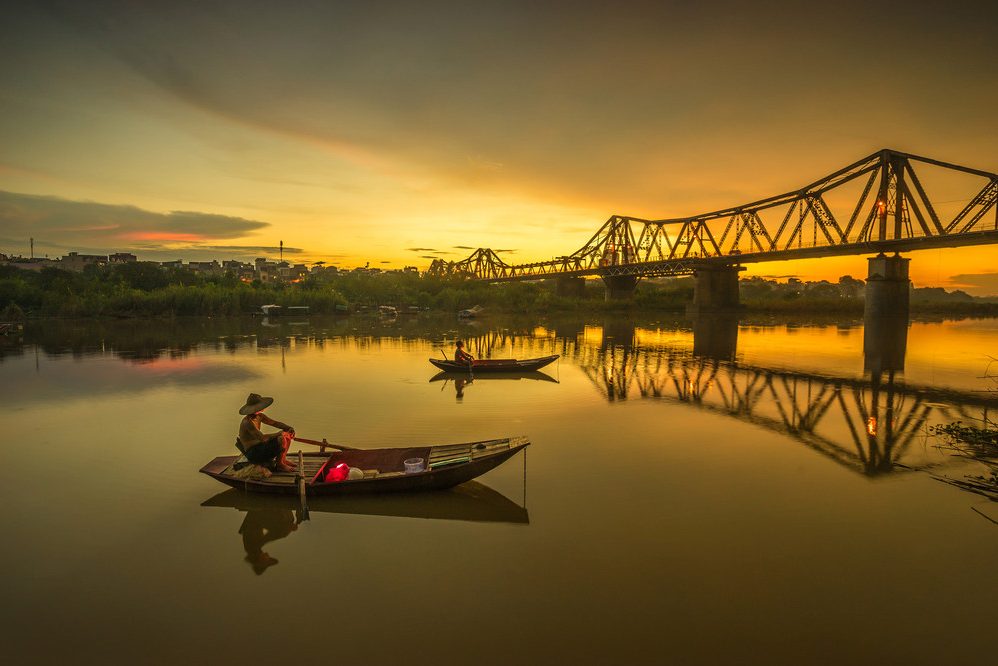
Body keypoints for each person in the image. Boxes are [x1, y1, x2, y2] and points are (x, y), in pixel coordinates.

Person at [237, 393, 296, 472]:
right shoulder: (247, 422)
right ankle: (279, 465)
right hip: (253, 452)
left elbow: (274, 423)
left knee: (287, 435)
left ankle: (283, 460)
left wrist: (288, 428)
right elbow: (262, 438)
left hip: (259, 445)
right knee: (281, 438)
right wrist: (279, 433)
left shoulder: (260, 416)